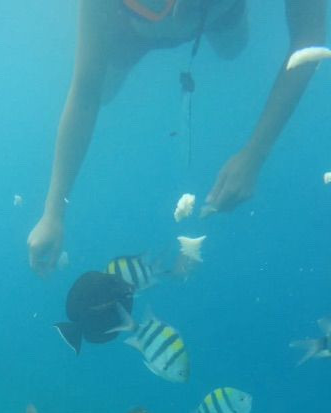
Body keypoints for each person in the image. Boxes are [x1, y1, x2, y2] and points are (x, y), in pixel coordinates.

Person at [27, 0, 327, 277]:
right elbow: (86, 93)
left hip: (219, 14)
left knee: (233, 49)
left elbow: (309, 41)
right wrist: (52, 212)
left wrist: (255, 153)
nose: (178, 10)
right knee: (104, 90)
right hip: (132, 32)